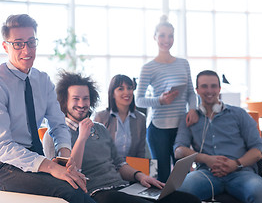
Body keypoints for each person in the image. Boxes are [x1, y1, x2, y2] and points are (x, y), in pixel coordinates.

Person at [0, 14, 95, 203]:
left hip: (34, 156)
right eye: (18, 43)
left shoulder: (42, 80)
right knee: (70, 192)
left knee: (78, 184)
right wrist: (51, 167)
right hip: (1, 164)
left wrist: (65, 156)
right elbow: (2, 146)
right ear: (5, 46)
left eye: (31, 42)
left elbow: (58, 124)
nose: (27, 49)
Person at [44, 71, 201, 203]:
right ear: (64, 101)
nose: (82, 103)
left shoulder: (100, 129)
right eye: (76, 98)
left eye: (86, 98)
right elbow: (69, 174)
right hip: (95, 192)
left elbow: (119, 163)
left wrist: (140, 176)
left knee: (188, 200)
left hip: (122, 186)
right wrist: (82, 137)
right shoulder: (56, 134)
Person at [174, 70, 262, 202]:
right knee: (181, 192)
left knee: (259, 191)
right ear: (197, 90)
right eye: (204, 86)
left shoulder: (239, 114)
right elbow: (178, 150)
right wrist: (206, 158)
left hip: (241, 172)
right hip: (206, 174)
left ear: (219, 89)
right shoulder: (190, 118)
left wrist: (236, 164)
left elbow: (258, 150)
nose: (209, 90)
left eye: (213, 86)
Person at [136, 15, 198, 182]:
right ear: (155, 37)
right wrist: (160, 101)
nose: (166, 40)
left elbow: (191, 92)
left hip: (182, 127)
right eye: (162, 35)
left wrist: (192, 108)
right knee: (162, 176)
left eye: (170, 35)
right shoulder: (148, 68)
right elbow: (139, 100)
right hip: (158, 129)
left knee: (184, 174)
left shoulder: (183, 63)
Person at [94, 74, 148, 160]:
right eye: (121, 89)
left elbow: (141, 153)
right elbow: (96, 150)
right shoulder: (101, 117)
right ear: (112, 94)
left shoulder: (141, 119)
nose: (126, 92)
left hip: (132, 168)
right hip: (107, 167)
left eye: (129, 88)